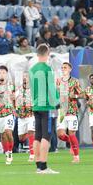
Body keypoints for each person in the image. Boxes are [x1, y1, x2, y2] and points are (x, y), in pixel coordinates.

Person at [29, 44, 60, 174]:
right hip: (47, 106)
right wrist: (57, 102)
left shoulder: (32, 69)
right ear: (48, 54)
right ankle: (44, 166)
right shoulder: (48, 69)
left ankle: (38, 166)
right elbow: (51, 89)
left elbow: (31, 88)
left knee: (38, 136)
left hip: (36, 105)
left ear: (37, 54)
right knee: (46, 136)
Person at [56, 62, 83, 163]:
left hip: (72, 110)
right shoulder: (58, 81)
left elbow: (82, 94)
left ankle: (76, 156)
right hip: (62, 111)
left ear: (70, 69)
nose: (63, 69)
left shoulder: (75, 81)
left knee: (71, 134)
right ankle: (72, 144)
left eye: (65, 67)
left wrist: (74, 96)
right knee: (60, 135)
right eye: (62, 68)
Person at [15, 72, 35, 162]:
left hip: (31, 114)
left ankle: (32, 154)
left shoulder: (34, 89)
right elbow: (13, 99)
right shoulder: (18, 89)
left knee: (31, 132)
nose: (25, 78)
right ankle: (36, 135)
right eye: (23, 76)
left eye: (26, 76)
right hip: (21, 116)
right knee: (21, 138)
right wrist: (14, 110)